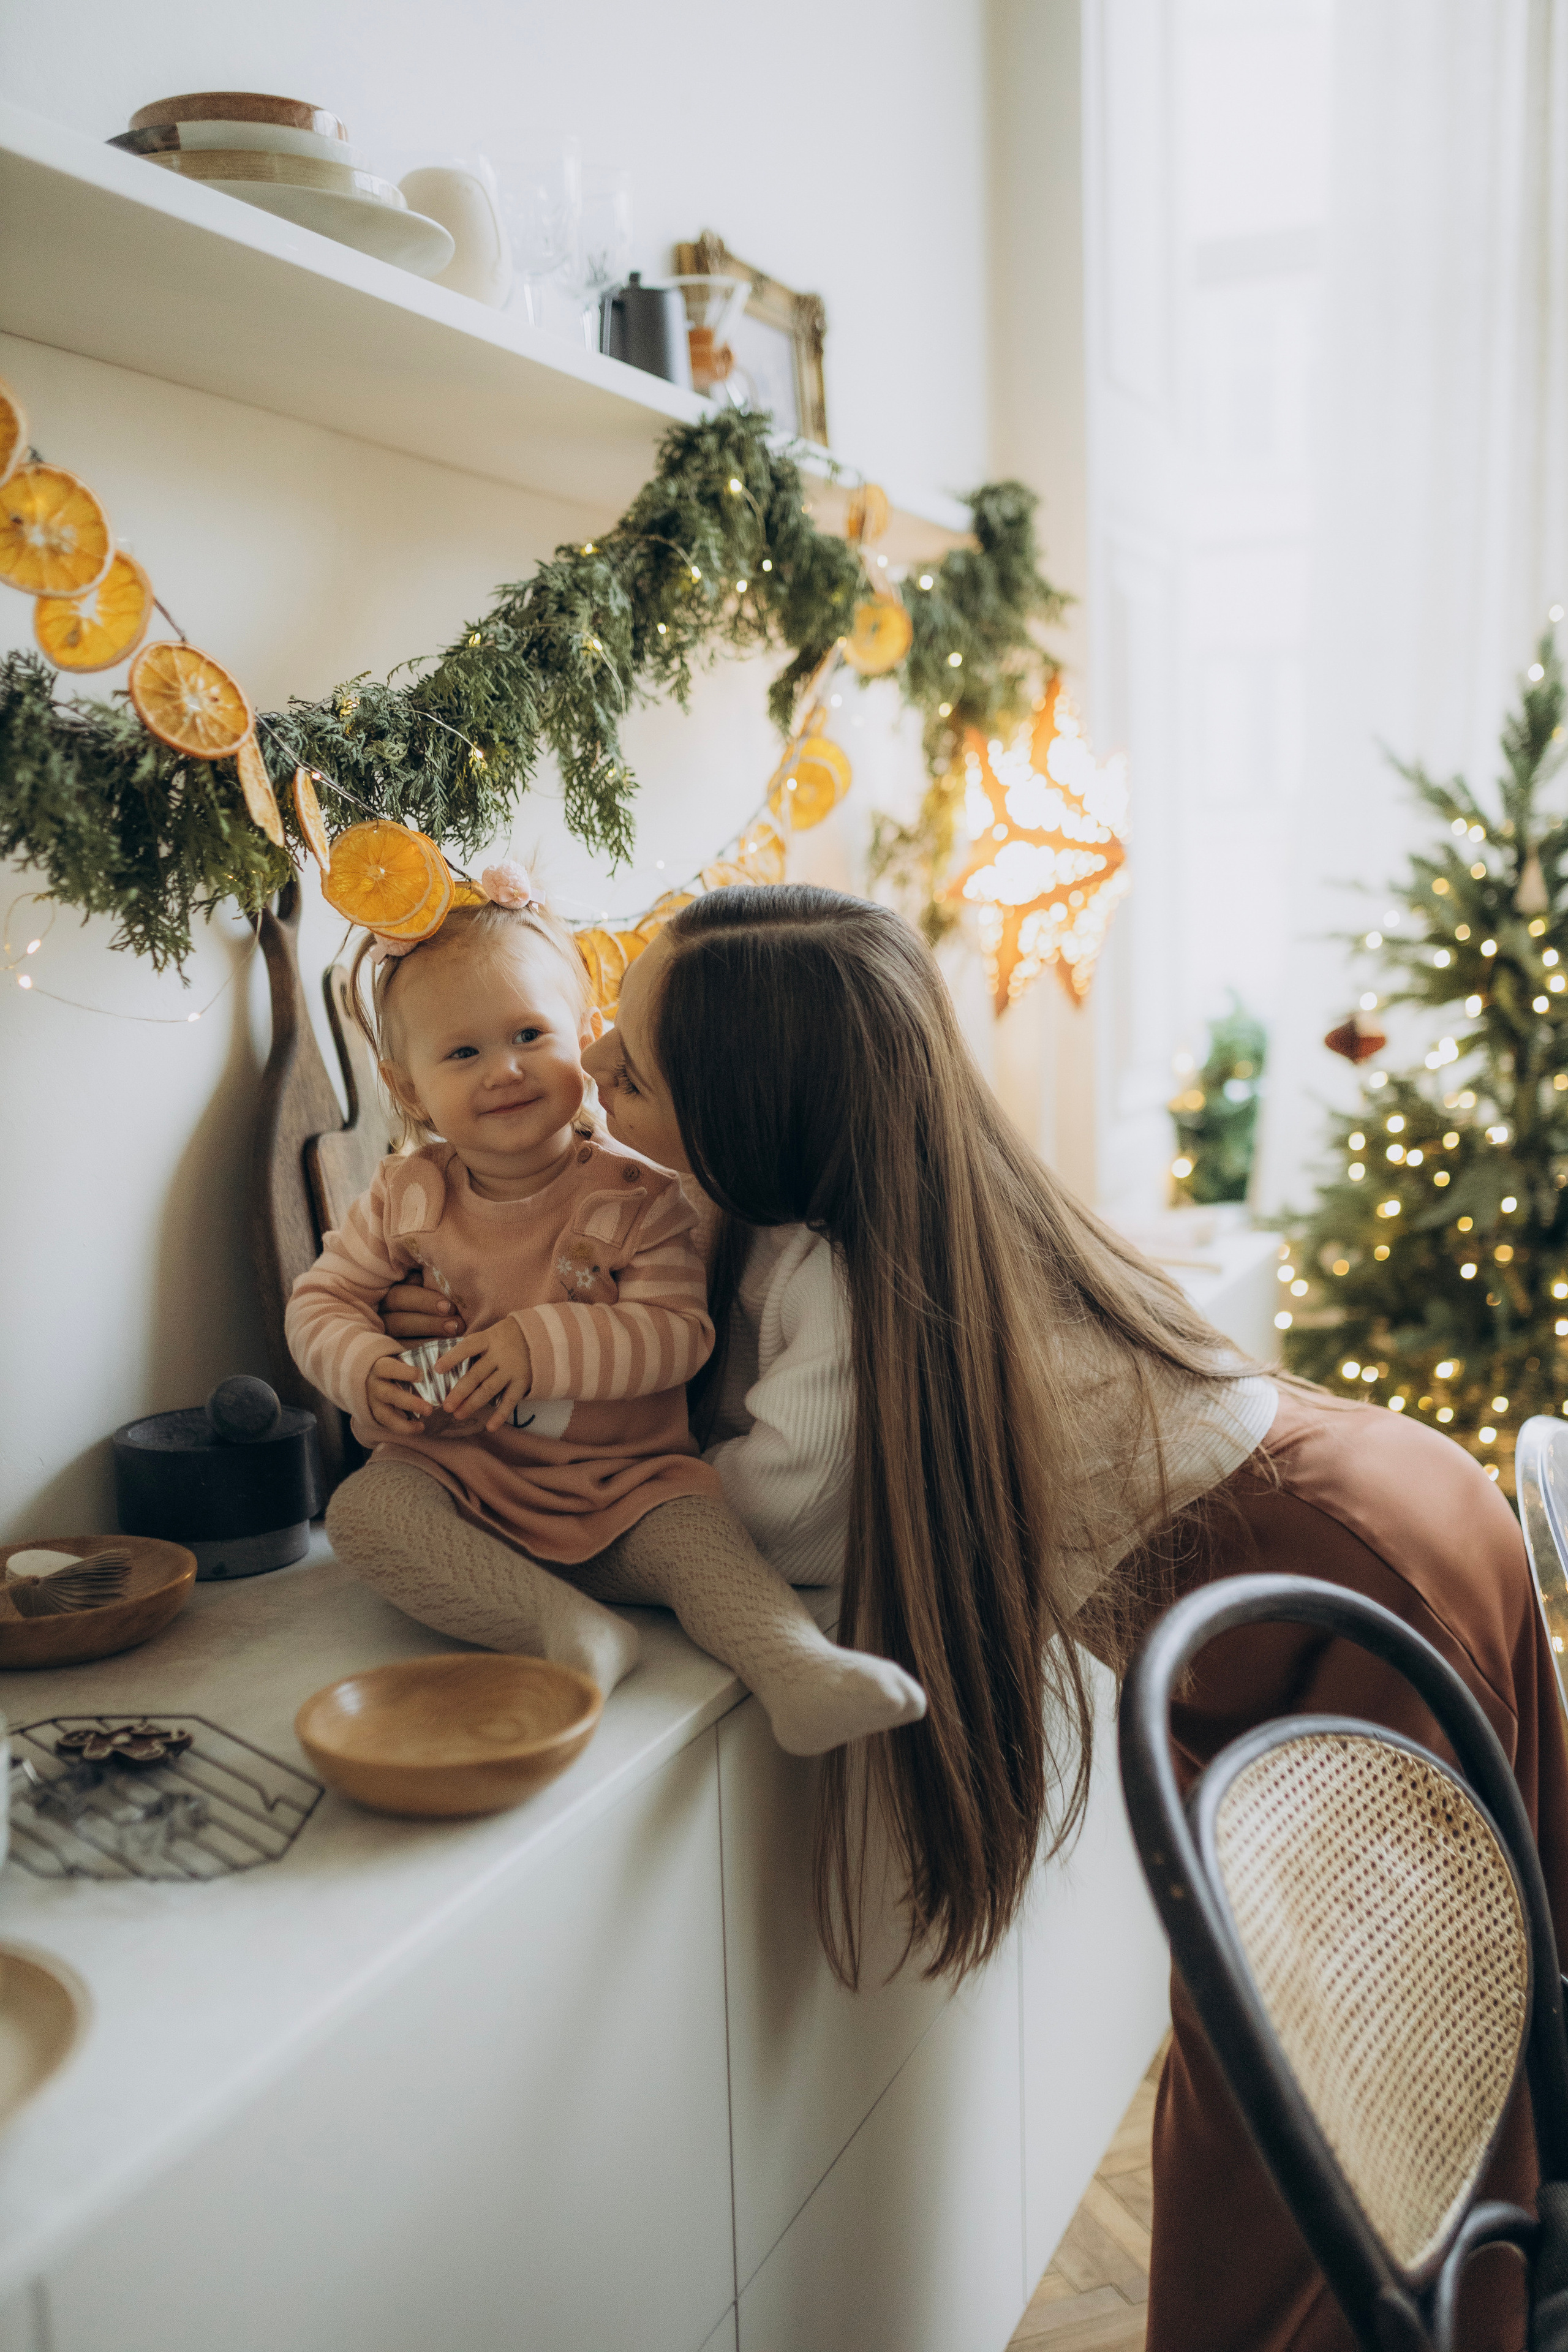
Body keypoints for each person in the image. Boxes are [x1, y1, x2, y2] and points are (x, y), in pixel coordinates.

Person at [381, 880, 1568, 2352]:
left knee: (1322, 2090)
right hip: (1376, 1501)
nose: (589, 1092)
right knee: (1454, 2007)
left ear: (753, 1113)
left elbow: (763, 1512)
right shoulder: (902, 1188)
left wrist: (539, 1468)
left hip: (1320, 1578)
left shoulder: (849, 1282)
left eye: (628, 1069)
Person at [288, 862, 925, 1757]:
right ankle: (565, 1629)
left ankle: (799, 1668)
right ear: (406, 1091)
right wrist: (363, 1365)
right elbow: (321, 1300)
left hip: (626, 1484)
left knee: (703, 1545)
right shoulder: (403, 1197)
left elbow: (677, 1336)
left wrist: (538, 1345)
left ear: (581, 1037)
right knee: (364, 1515)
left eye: (529, 1034)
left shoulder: (642, 1197)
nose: (504, 1070)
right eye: (463, 1053)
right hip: (460, 1474)